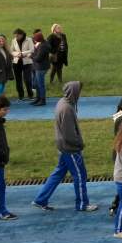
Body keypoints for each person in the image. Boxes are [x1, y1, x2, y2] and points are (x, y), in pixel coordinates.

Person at [32, 81, 98, 212]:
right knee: (80, 175)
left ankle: (40, 199)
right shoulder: (67, 108)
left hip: (63, 146)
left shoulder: (62, 103)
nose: (79, 94)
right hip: (70, 148)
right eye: (78, 91)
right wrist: (79, 144)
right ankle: (82, 204)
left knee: (58, 173)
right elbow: (69, 133)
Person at [10, 28, 34, 102]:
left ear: (22, 35)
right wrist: (17, 54)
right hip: (16, 62)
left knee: (27, 79)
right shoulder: (14, 40)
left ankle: (30, 95)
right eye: (15, 36)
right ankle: (21, 96)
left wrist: (22, 54)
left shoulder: (29, 40)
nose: (16, 37)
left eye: (17, 36)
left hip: (27, 62)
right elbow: (11, 51)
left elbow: (32, 50)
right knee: (18, 80)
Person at [30, 31, 50, 106]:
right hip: (40, 67)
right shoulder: (43, 44)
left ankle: (42, 100)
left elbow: (38, 58)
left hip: (41, 67)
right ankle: (38, 98)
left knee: (40, 84)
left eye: (34, 39)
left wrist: (31, 56)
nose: (34, 40)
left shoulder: (43, 46)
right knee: (36, 83)